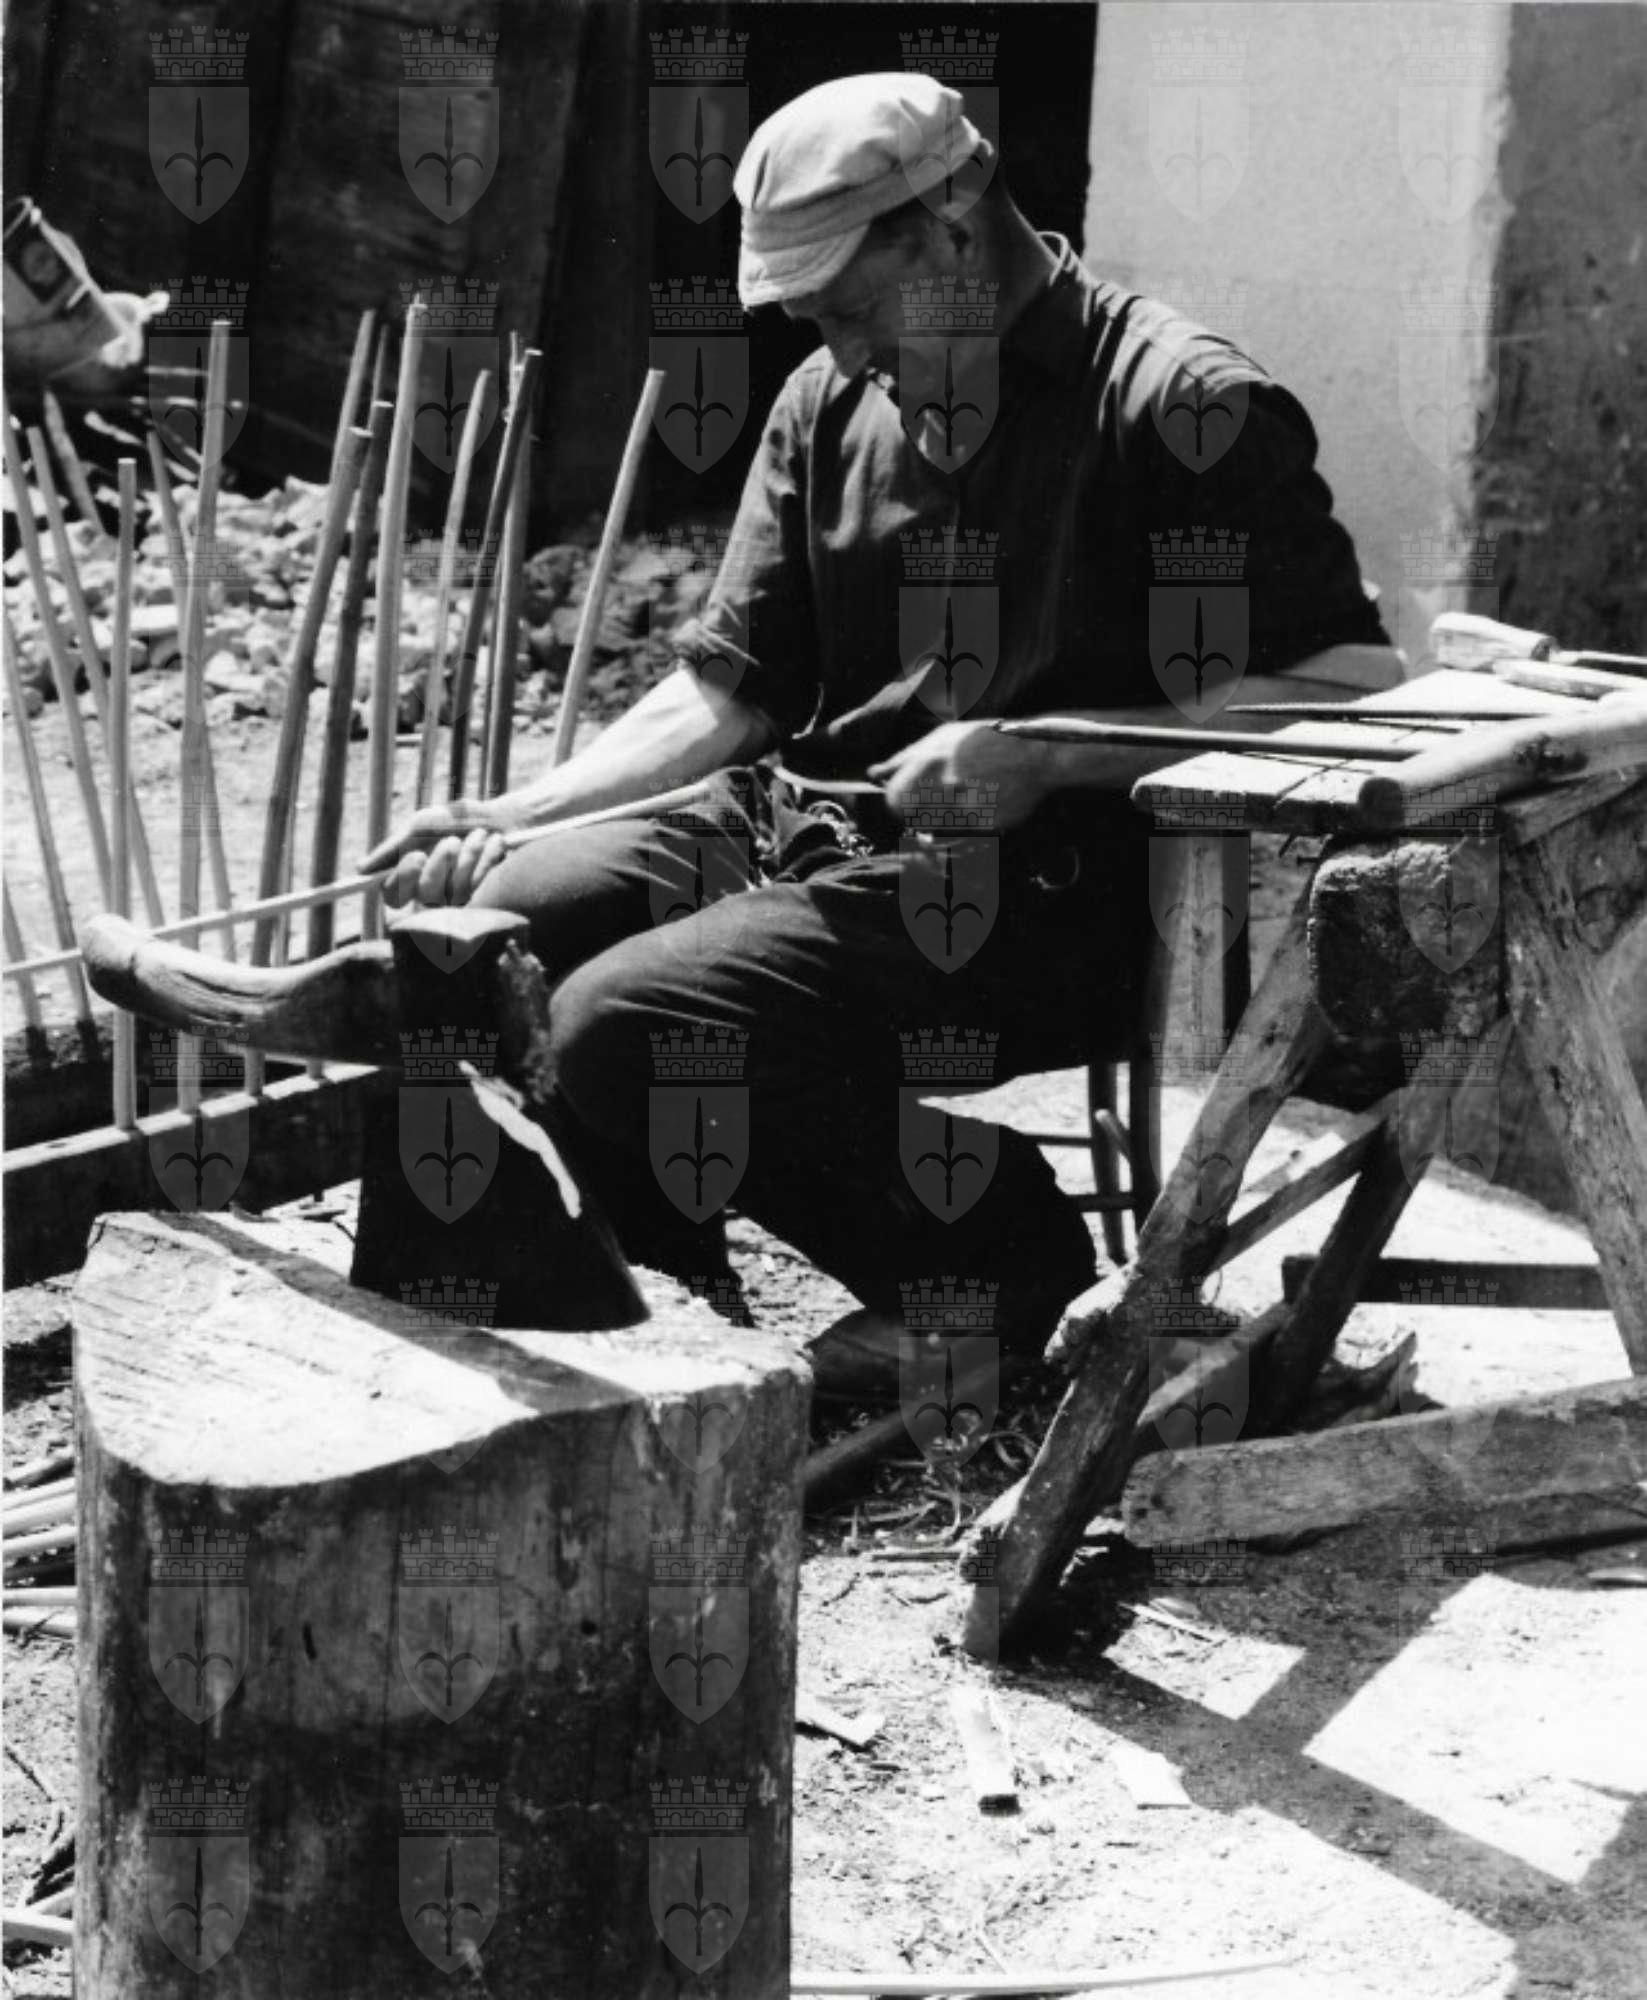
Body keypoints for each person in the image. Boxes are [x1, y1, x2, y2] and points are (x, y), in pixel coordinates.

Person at [365, 73, 1402, 1399]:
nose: (841, 351)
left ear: (954, 224)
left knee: (624, 1026)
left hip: (1056, 892)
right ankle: (657, 1272)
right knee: (513, 916)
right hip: (818, 833)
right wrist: (515, 815)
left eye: (851, 310)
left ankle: (1000, 1264)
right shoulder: (827, 402)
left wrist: (1048, 753)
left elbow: (1356, 689)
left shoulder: (1177, 404)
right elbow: (730, 691)